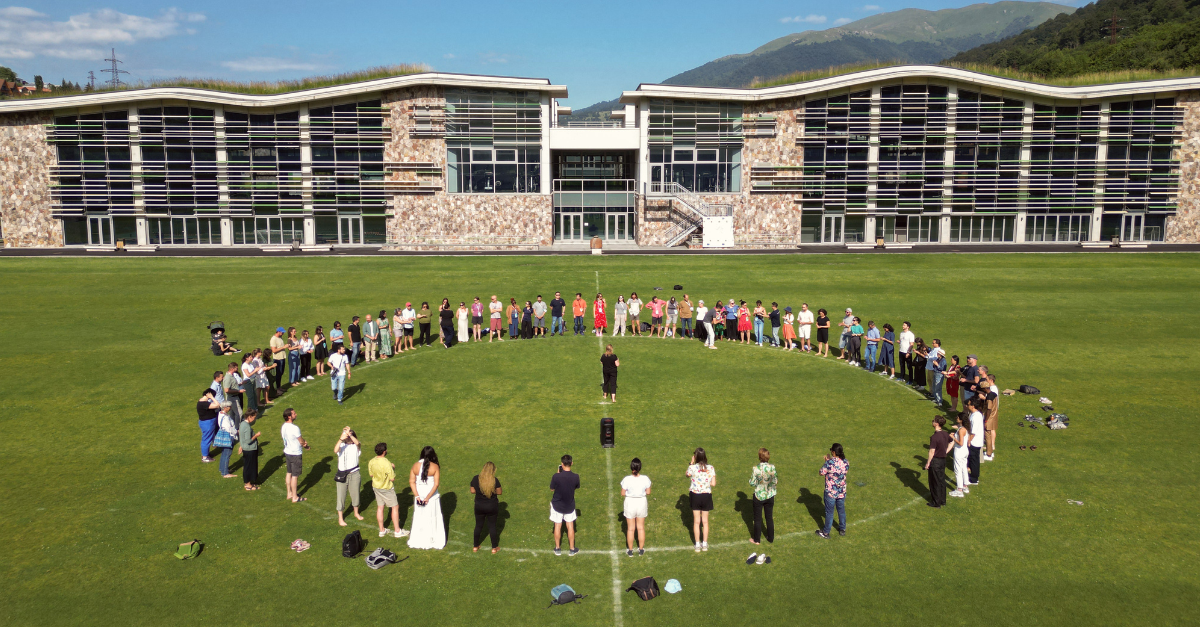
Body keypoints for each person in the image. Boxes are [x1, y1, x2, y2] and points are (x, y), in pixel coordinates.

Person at [408, 446, 446, 550]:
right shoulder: (435, 467)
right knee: (432, 517)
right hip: (431, 498)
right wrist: (428, 498)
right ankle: (432, 539)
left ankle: (419, 538)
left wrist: (418, 496)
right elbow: (436, 484)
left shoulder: (415, 466)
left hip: (419, 497)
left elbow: (411, 482)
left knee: (420, 517)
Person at [368, 442, 406, 538]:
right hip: (386, 488)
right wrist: (392, 468)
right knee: (395, 507)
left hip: (376, 487)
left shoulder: (371, 461)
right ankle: (397, 531)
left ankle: (382, 530)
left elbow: (371, 475)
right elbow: (392, 478)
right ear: (384, 452)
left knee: (380, 507)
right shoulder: (387, 463)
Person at [550, 454, 580, 556]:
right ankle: (572, 549)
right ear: (571, 463)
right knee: (570, 526)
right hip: (569, 505)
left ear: (562, 464)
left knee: (557, 526)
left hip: (557, 505)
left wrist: (558, 474)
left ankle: (557, 548)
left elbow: (552, 489)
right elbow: (576, 487)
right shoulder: (576, 477)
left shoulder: (556, 476)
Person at [621, 458, 652, 556]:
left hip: (630, 503)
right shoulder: (645, 478)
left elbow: (622, 493)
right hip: (641, 503)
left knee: (630, 528)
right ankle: (641, 549)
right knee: (641, 527)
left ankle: (630, 551)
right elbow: (648, 492)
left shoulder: (626, 479)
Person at [686, 448, 716, 552]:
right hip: (706, 496)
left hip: (695, 496)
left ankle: (697, 544)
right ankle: (705, 544)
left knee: (696, 521)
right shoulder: (711, 468)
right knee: (705, 521)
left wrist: (691, 462)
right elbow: (713, 483)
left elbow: (687, 475)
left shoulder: (692, 467)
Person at [817, 443, 849, 537]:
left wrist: (827, 461)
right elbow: (841, 468)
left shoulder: (829, 463)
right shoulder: (846, 462)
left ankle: (826, 532)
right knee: (841, 510)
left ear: (834, 452)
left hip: (831, 492)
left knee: (829, 513)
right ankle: (842, 528)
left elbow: (821, 472)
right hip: (841, 491)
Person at [471, 462, 503, 553]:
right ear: (493, 470)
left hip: (479, 506)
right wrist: (490, 490)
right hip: (492, 506)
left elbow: (472, 491)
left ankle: (475, 546)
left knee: (478, 525)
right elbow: (500, 492)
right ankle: (494, 548)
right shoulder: (494, 480)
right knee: (492, 526)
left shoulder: (475, 478)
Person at [335, 426, 364, 526]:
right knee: (341, 496)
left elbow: (358, 443)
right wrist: (341, 438)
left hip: (354, 474)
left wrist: (350, 434)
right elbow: (335, 450)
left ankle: (356, 513)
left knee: (355, 495)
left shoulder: (356, 447)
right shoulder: (342, 445)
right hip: (342, 474)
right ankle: (340, 518)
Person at [749, 448, 777, 544]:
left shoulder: (756, 469)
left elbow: (752, 483)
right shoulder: (772, 467)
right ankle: (771, 538)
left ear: (759, 457)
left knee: (757, 519)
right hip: (770, 495)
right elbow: (775, 481)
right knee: (769, 517)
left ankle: (757, 540)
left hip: (759, 496)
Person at [281, 408, 309, 503]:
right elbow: (301, 441)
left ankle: (289, 493)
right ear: (289, 416)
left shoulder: (284, 426)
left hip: (287, 452)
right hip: (295, 453)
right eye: (294, 413)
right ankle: (295, 497)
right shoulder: (294, 428)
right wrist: (306, 445)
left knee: (289, 472)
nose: (296, 414)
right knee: (295, 475)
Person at [925, 415, 953, 507]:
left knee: (934, 482)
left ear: (936, 424)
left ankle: (936, 502)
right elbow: (952, 441)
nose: (932, 421)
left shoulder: (934, 437)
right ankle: (942, 500)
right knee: (941, 480)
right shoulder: (945, 434)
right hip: (943, 460)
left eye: (933, 420)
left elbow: (932, 451)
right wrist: (946, 451)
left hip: (935, 461)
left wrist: (928, 463)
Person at [237, 410, 260, 490]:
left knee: (248, 466)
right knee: (249, 467)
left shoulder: (242, 424)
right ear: (249, 417)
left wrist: (241, 446)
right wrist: (256, 435)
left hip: (246, 449)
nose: (254, 419)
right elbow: (248, 440)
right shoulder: (246, 426)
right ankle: (248, 485)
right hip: (250, 450)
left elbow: (241, 436)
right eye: (254, 417)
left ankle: (249, 482)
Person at [949, 412, 970, 498]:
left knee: (958, 470)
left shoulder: (961, 430)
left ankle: (959, 490)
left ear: (961, 420)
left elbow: (960, 443)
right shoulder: (965, 428)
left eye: (958, 417)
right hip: (965, 451)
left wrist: (953, 437)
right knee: (964, 468)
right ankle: (965, 486)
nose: (956, 418)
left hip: (960, 452)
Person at [196, 388, 220, 463]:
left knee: (207, 438)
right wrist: (212, 397)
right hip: (207, 423)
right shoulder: (204, 404)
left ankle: (206, 454)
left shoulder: (202, 402)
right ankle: (205, 457)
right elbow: (217, 405)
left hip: (206, 423)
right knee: (206, 439)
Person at [216, 401, 238, 478]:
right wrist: (236, 432)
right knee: (227, 454)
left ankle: (222, 469)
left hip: (224, 435)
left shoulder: (220, 414)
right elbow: (229, 428)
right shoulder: (225, 417)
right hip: (228, 436)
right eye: (229, 407)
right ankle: (225, 473)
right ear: (225, 407)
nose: (230, 408)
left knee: (224, 453)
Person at [967, 398, 984, 486]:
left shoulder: (976, 416)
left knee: (974, 460)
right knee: (974, 459)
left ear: (973, 406)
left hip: (975, 441)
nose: (967, 406)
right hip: (977, 440)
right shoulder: (976, 414)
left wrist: (969, 441)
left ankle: (974, 479)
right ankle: (973, 475)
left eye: (969, 404)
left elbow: (973, 431)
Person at [983, 373, 999, 461]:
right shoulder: (993, 394)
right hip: (994, 415)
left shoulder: (989, 397)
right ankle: (990, 452)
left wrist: (986, 420)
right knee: (988, 435)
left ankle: (989, 454)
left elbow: (988, 409)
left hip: (990, 418)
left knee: (987, 436)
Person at [926, 339, 945, 404]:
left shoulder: (941, 358)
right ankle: (933, 394)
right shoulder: (934, 350)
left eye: (933, 343)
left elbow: (934, 359)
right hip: (932, 368)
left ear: (937, 344)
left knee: (936, 386)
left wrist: (928, 356)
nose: (932, 344)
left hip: (936, 371)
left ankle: (936, 398)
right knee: (930, 381)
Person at [269, 327, 288, 392]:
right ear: (278, 332)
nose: (283, 333)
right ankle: (277, 388)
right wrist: (283, 347)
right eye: (282, 332)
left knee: (281, 373)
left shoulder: (280, 338)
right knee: (278, 373)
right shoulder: (273, 339)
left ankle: (279, 387)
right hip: (278, 359)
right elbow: (273, 350)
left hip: (282, 357)